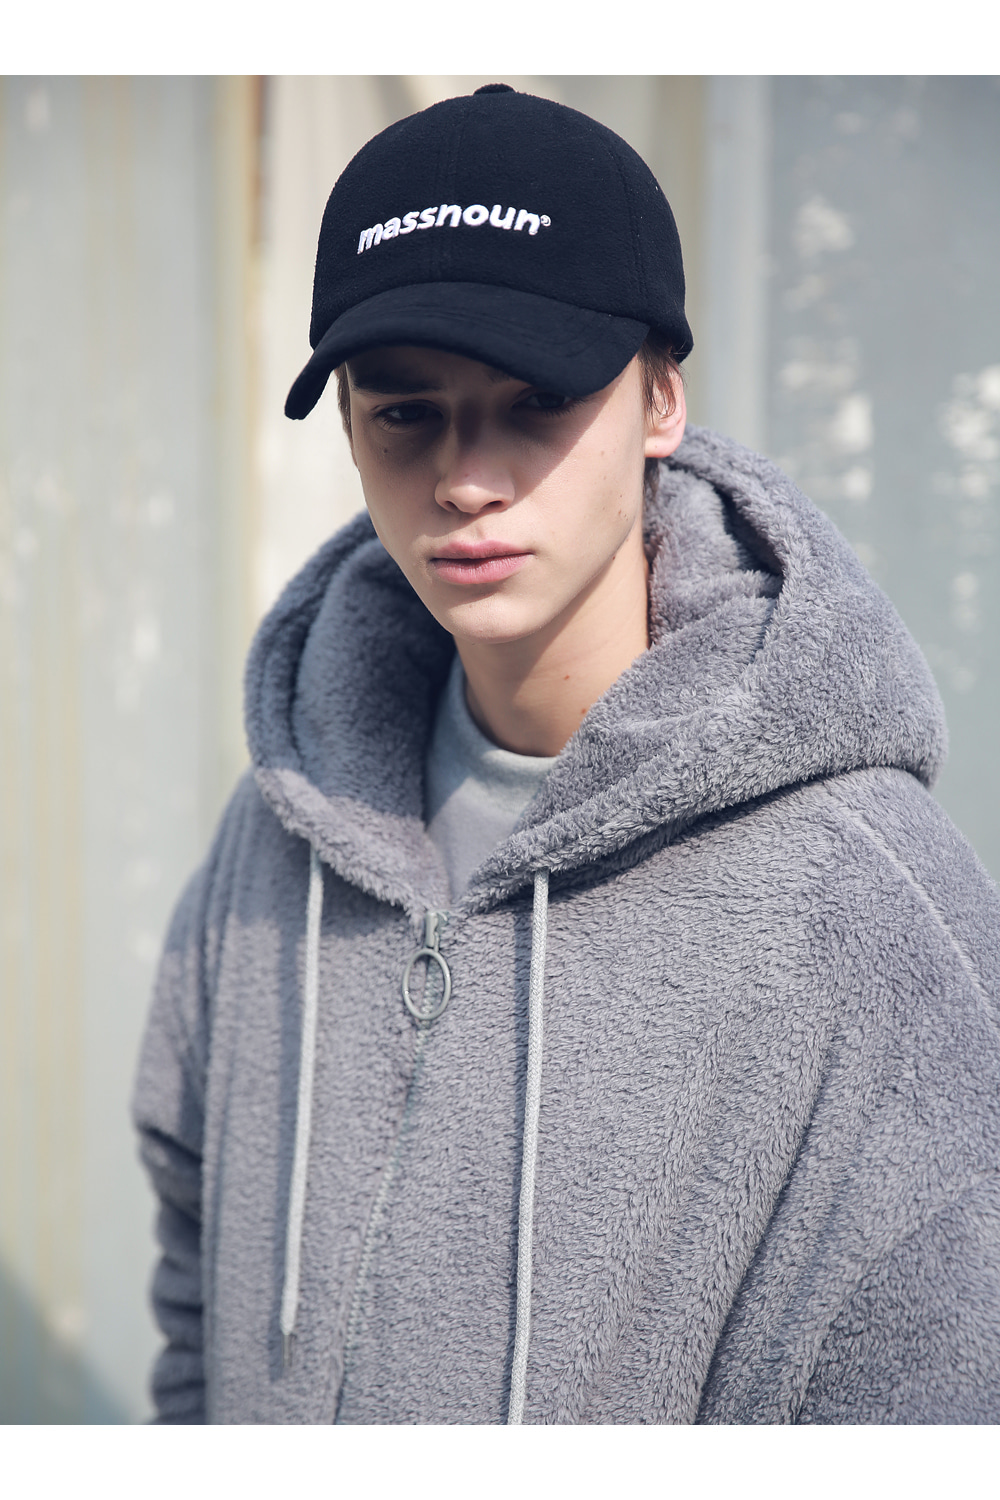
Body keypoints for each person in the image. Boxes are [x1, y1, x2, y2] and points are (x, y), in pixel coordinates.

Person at [132, 84, 1000, 1424]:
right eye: (404, 412)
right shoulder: (280, 832)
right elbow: (196, 1267)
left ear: (661, 400)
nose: (465, 479)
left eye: (535, 400)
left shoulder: (865, 899)